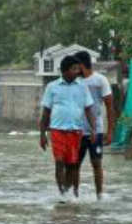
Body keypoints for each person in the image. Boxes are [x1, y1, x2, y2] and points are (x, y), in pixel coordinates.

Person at [39, 55, 97, 201]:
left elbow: (89, 109)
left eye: (78, 68)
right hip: (57, 130)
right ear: (65, 71)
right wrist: (42, 134)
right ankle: (62, 194)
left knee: (72, 165)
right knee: (59, 162)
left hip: (75, 131)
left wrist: (94, 129)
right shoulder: (52, 87)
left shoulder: (83, 87)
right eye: (74, 68)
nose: (77, 71)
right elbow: (46, 112)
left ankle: (68, 191)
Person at [74, 50, 115, 200]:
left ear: (81, 65)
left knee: (96, 163)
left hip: (96, 130)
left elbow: (110, 107)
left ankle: (99, 196)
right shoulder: (75, 82)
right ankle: (74, 196)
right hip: (77, 131)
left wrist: (110, 132)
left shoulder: (100, 80)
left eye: (75, 65)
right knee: (74, 165)